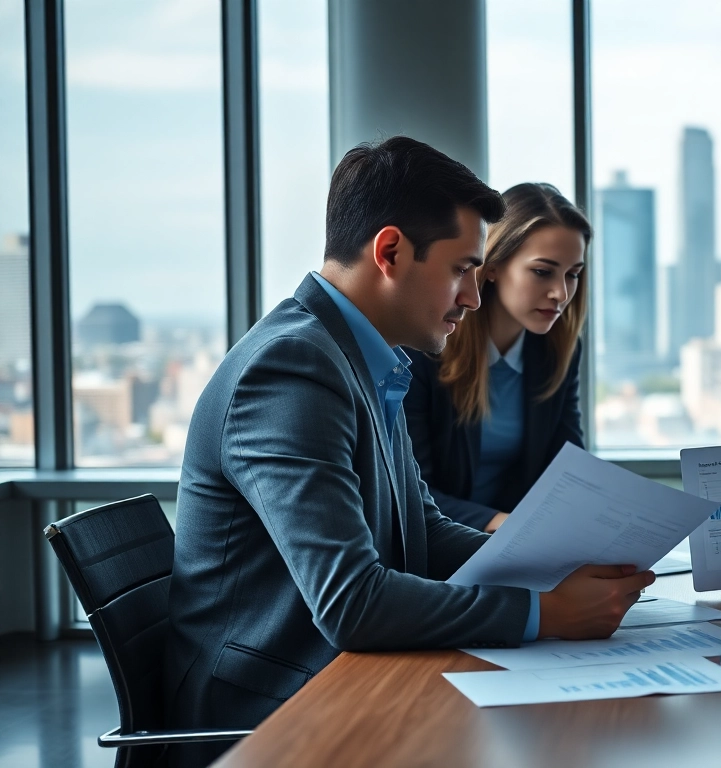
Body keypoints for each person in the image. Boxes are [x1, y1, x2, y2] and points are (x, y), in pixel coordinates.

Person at [163, 137, 652, 766]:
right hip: (270, 713)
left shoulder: (365, 358)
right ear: (390, 252)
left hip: (342, 680)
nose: (473, 296)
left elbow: (423, 530)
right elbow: (352, 603)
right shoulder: (290, 369)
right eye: (461, 270)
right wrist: (545, 612)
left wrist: (551, 568)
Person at [406, 183, 588, 533]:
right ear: (493, 266)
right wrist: (508, 524)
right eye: (542, 271)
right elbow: (412, 490)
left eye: (573, 274)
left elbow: (569, 473)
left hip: (524, 544)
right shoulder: (426, 347)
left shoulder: (558, 351)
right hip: (442, 546)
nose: (561, 293)